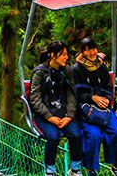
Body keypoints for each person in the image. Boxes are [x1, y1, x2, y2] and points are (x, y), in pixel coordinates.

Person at [71, 37, 117, 176]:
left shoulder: (101, 67)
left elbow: (108, 87)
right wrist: (92, 97)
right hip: (86, 110)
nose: (92, 53)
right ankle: (91, 168)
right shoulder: (76, 70)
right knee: (94, 135)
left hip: (103, 109)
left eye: (93, 49)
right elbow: (75, 93)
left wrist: (107, 99)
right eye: (87, 50)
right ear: (82, 52)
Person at [30, 40, 84, 176]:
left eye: (66, 54)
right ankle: (50, 171)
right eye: (63, 54)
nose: (66, 57)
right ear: (53, 55)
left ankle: (75, 169)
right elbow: (35, 99)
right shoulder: (40, 73)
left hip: (64, 113)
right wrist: (49, 117)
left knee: (76, 134)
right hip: (46, 114)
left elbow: (72, 94)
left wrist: (69, 116)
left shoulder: (66, 71)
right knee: (53, 137)